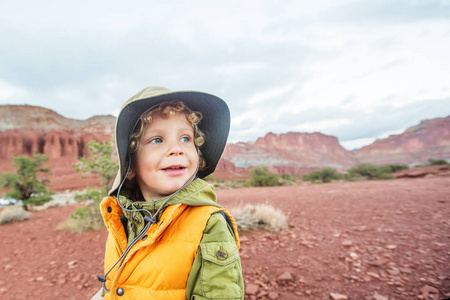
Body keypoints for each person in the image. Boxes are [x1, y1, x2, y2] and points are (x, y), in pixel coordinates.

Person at [95, 86, 244, 300]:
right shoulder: (121, 219)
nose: (177, 149)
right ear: (131, 165)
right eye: (157, 140)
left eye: (185, 138)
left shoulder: (209, 225)